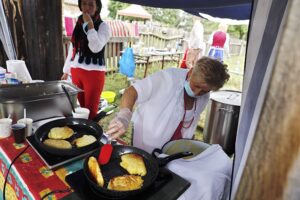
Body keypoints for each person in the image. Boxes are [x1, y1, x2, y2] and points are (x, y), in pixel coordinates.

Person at [106, 57, 230, 153]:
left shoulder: (204, 96)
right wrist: (124, 115)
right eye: (196, 86)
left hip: (175, 143)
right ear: (191, 71)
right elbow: (131, 92)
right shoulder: (168, 78)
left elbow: (191, 119)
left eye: (204, 90)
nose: (197, 93)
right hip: (149, 136)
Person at [61, 0, 110, 120]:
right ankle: (83, 135)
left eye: (91, 4)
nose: (87, 7)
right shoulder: (78, 23)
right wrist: (66, 71)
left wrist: (90, 25)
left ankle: (92, 136)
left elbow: (96, 48)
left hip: (93, 73)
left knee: (91, 112)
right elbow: (73, 49)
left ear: (97, 6)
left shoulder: (104, 26)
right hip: (76, 71)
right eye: (84, 4)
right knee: (81, 109)